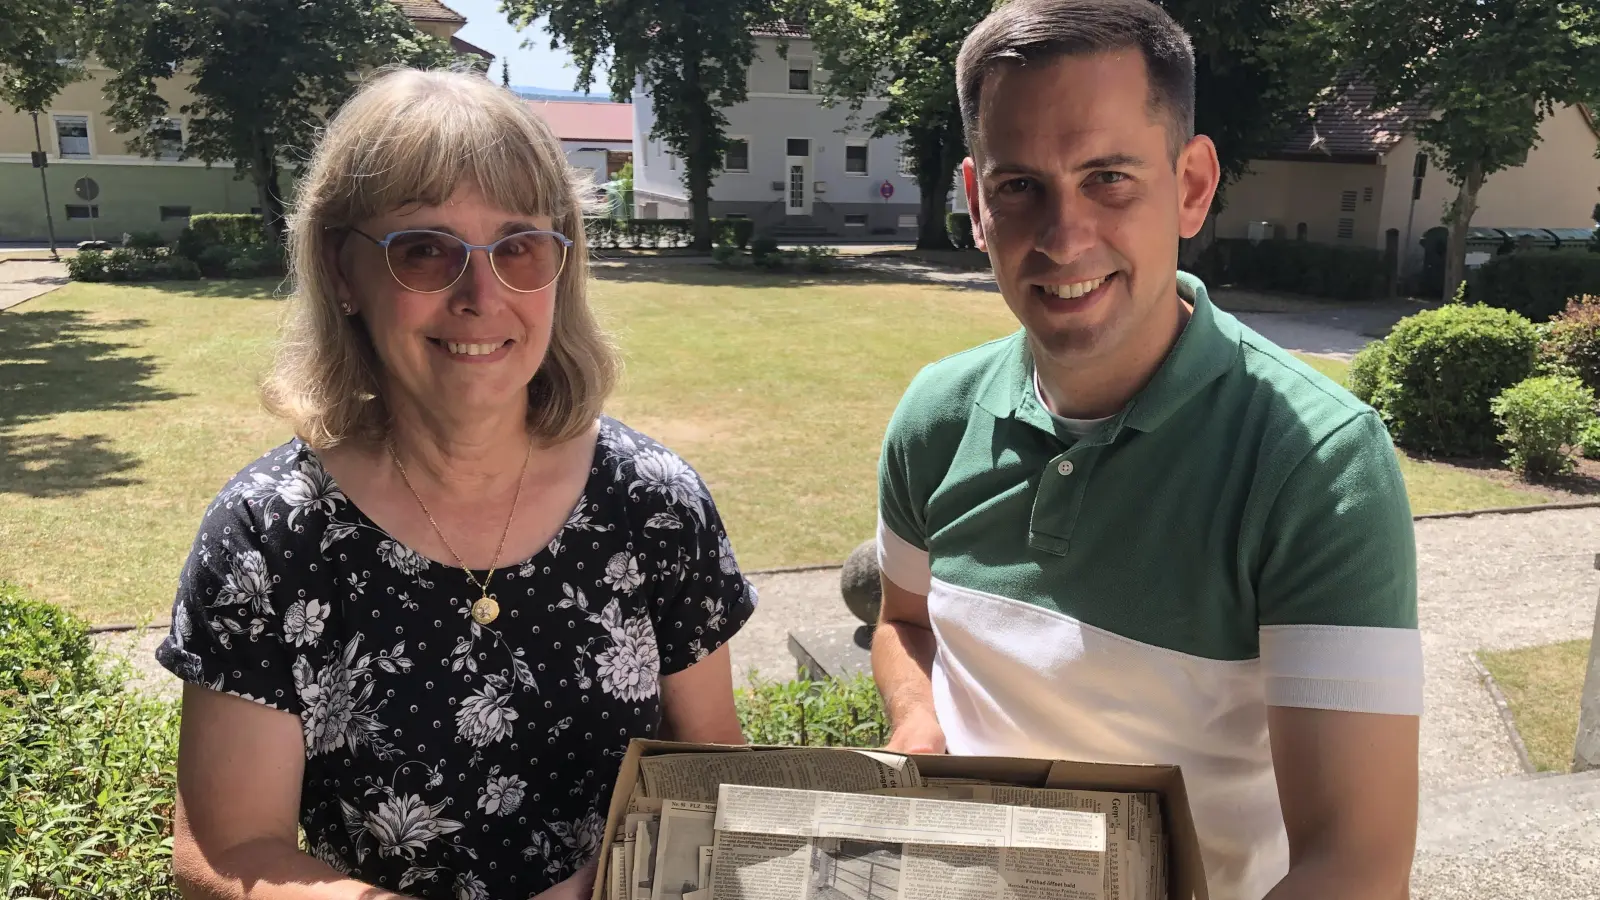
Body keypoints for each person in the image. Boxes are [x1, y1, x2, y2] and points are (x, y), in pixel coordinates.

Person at [154, 68, 755, 900]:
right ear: (341, 272)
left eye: (519, 247)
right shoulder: (267, 537)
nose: (482, 295)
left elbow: (711, 763)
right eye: (424, 249)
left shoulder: (654, 503)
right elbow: (227, 851)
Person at [871, 1, 1421, 897]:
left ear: (1193, 185)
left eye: (1109, 177)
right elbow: (904, 622)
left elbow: (1355, 865)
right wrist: (917, 726)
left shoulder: (1318, 461)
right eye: (1021, 188)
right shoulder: (936, 418)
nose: (1062, 236)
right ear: (976, 202)